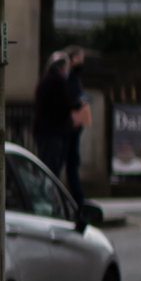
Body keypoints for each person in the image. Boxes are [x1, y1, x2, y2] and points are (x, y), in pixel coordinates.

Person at [32, 52, 78, 197]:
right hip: (53, 132)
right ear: (62, 68)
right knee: (51, 170)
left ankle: (43, 196)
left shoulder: (44, 80)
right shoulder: (57, 82)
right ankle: (47, 198)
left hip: (43, 131)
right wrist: (76, 105)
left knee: (45, 166)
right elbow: (63, 106)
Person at [60, 46, 92, 210]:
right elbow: (66, 102)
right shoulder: (67, 79)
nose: (81, 64)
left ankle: (77, 198)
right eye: (78, 60)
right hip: (67, 129)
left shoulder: (76, 79)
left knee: (72, 163)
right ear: (71, 61)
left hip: (74, 128)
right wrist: (78, 103)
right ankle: (75, 199)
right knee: (65, 164)